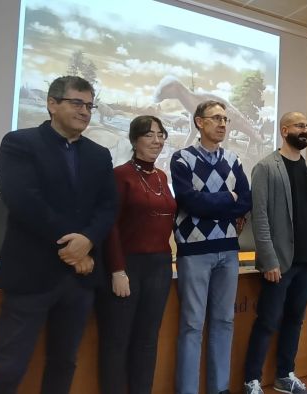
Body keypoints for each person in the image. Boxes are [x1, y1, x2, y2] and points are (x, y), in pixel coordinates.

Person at [0, 76, 117, 394]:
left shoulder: (99, 155)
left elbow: (108, 206)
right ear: (52, 104)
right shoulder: (19, 143)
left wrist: (87, 242)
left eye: (89, 105)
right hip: (31, 273)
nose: (85, 111)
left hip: (78, 280)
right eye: (76, 103)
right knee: (9, 366)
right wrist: (75, 245)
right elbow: (23, 201)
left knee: (64, 363)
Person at [244, 112, 307, 394]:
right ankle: (252, 380)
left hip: (306, 263)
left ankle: (285, 375)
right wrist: (269, 259)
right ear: (284, 130)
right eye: (299, 125)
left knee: (295, 319)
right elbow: (260, 217)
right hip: (279, 264)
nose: (305, 130)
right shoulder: (265, 167)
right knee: (268, 321)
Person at [170, 100, 251, 394]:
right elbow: (190, 202)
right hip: (194, 251)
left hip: (228, 250)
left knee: (224, 321)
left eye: (226, 119)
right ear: (198, 122)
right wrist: (227, 200)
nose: (222, 124)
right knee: (192, 325)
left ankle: (220, 389)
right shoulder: (182, 158)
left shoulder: (233, 159)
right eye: (216, 118)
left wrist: (220, 202)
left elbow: (245, 200)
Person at [97, 115, 176, 393]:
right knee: (117, 340)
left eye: (161, 135)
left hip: (160, 266)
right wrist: (118, 269)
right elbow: (111, 226)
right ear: (134, 140)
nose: (157, 141)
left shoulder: (161, 176)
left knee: (147, 339)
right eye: (149, 135)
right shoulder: (120, 175)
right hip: (127, 266)